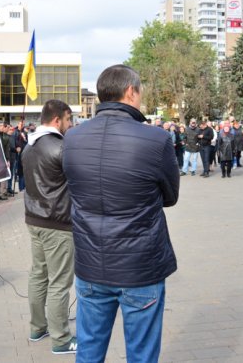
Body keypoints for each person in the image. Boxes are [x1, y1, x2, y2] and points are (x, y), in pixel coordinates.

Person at [63, 65, 180, 363]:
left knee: (88, 352)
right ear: (131, 92)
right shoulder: (156, 139)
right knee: (141, 355)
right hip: (139, 267)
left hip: (91, 263)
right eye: (140, 93)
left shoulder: (73, 138)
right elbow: (170, 196)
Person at [21, 100, 76, 355]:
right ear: (57, 120)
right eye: (68, 120)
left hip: (35, 220)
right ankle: (61, 339)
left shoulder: (28, 146)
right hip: (58, 223)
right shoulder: (61, 147)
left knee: (38, 275)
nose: (71, 125)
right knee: (59, 282)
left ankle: (37, 327)